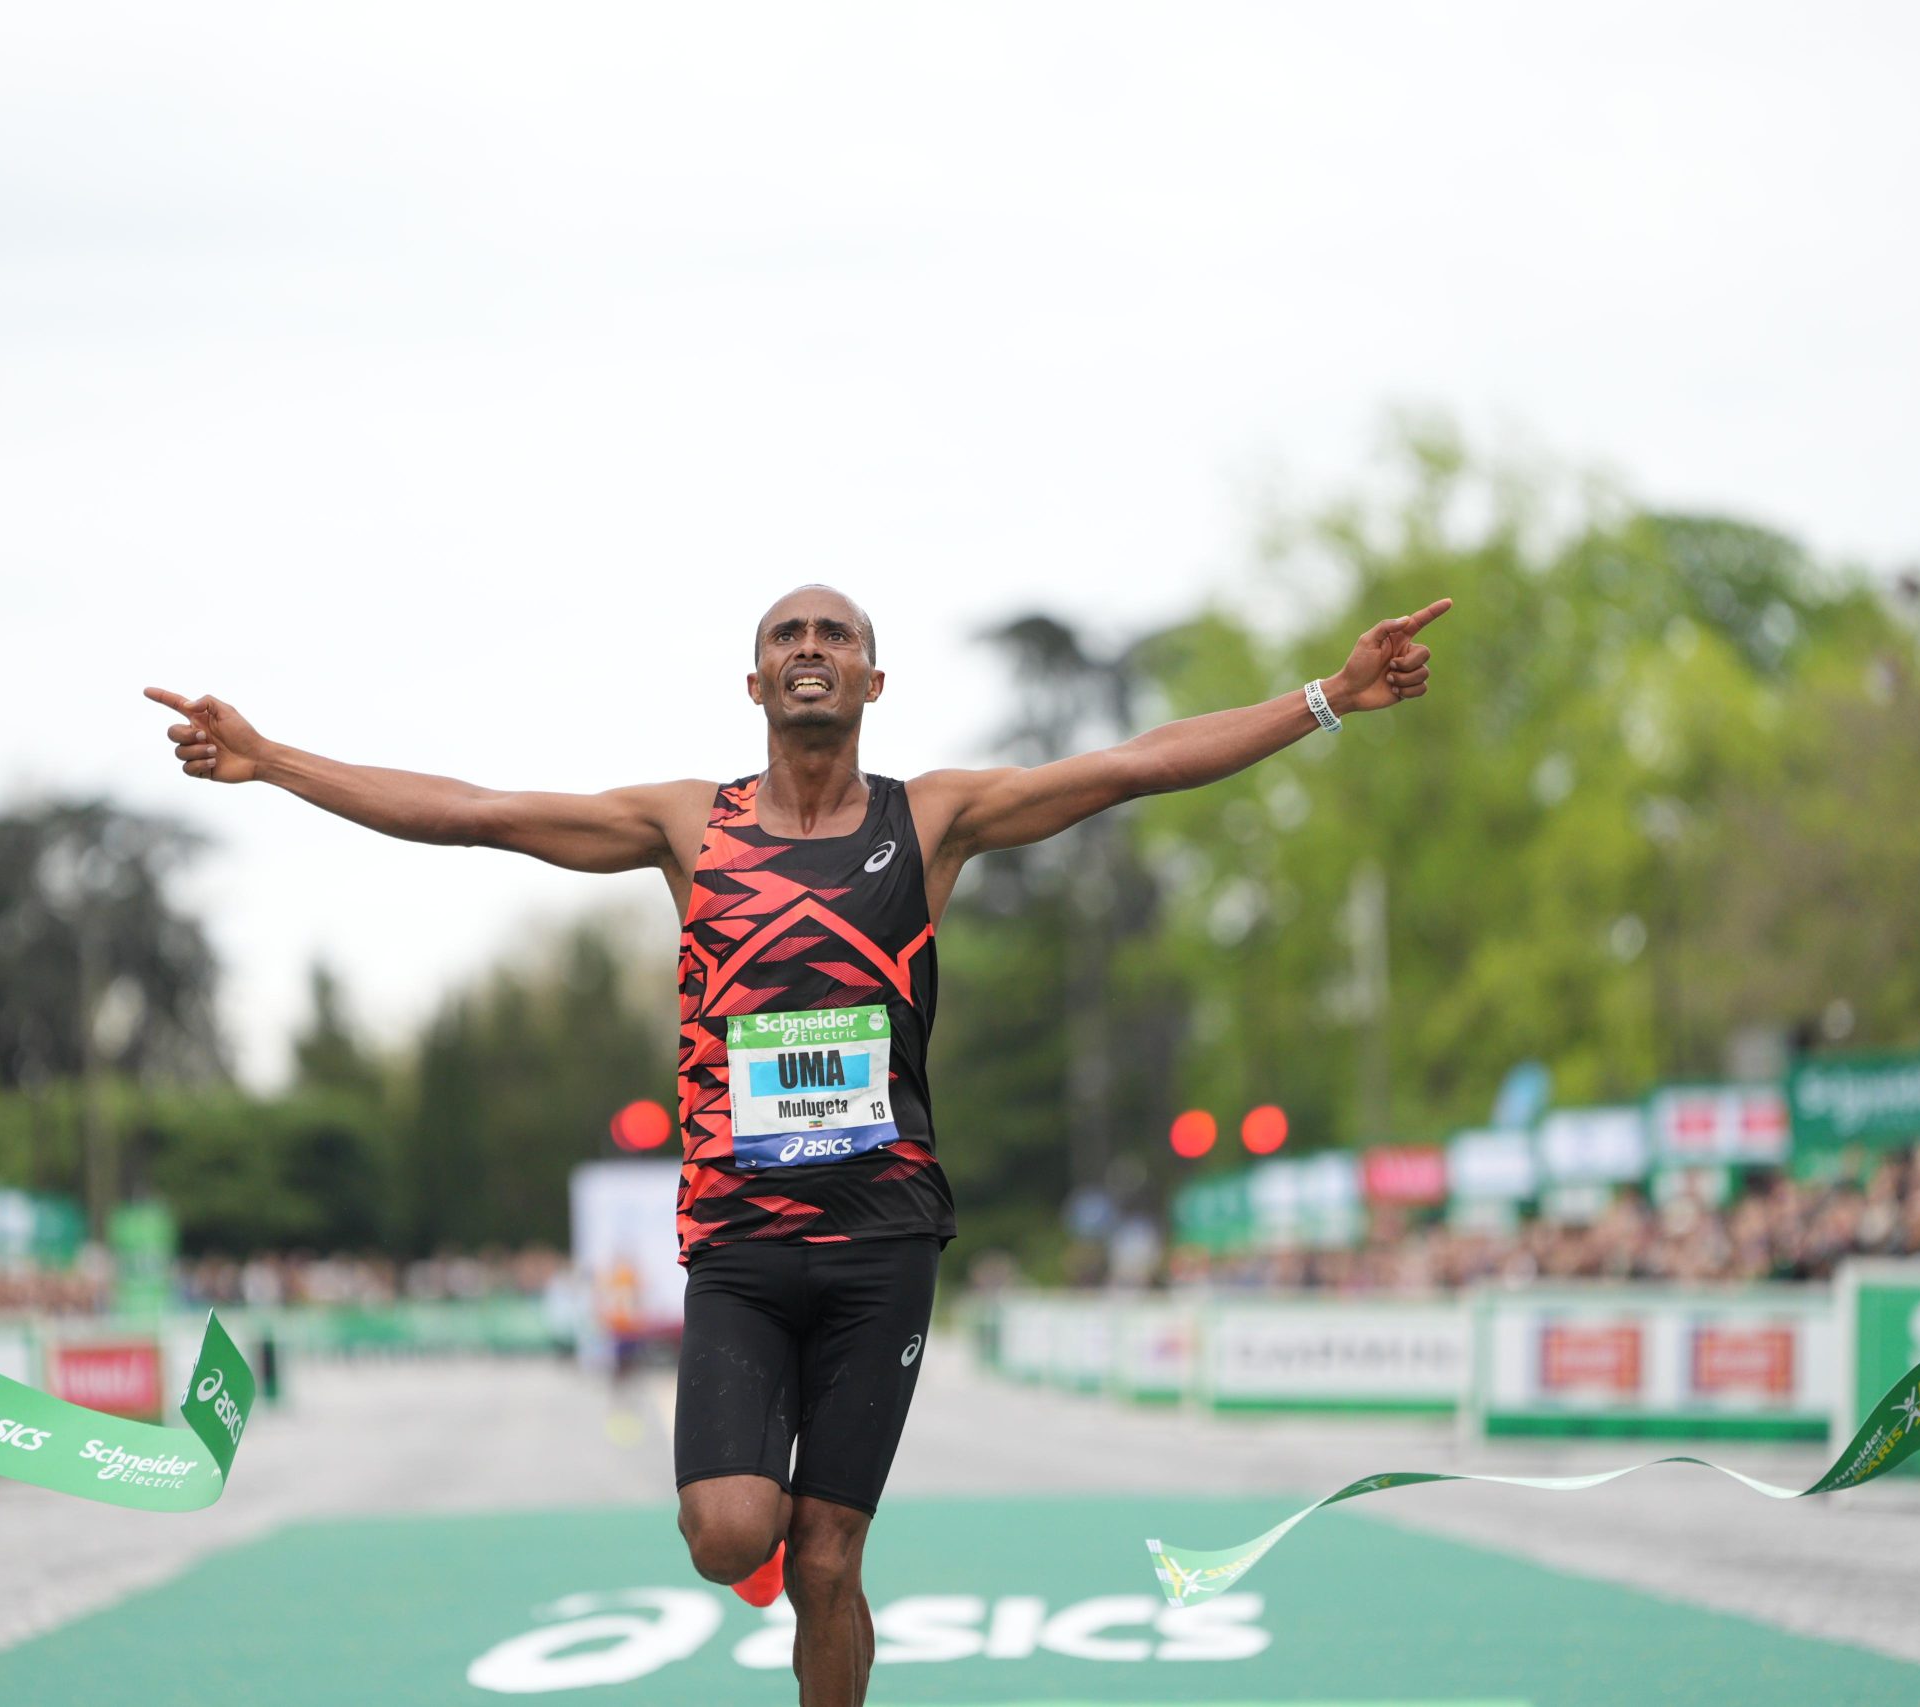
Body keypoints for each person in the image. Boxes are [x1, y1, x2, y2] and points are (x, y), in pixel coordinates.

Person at [145, 583, 1447, 1706]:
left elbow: (1131, 767)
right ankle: (753, 1533)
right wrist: (278, 761)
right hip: (741, 1246)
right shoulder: (684, 825)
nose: (810, 644)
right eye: (787, 632)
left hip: (884, 1241)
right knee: (729, 1534)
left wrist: (1326, 698)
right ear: (755, 677)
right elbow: (477, 811)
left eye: (836, 632)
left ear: (874, 678)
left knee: (832, 1560)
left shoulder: (931, 819)